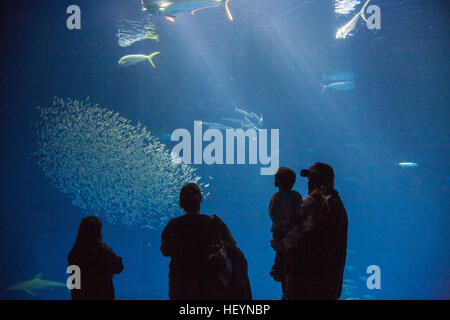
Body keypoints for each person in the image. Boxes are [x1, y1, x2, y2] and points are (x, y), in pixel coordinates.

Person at [161, 183, 251, 300]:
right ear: (200, 200)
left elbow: (165, 251)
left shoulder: (173, 225)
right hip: (210, 284)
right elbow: (232, 245)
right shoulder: (213, 222)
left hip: (181, 285)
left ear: (181, 203)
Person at [272, 162, 348, 300]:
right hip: (313, 286)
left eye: (314, 178)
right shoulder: (326, 203)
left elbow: (314, 244)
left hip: (314, 287)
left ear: (327, 181)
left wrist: (286, 246)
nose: (309, 182)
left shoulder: (327, 206)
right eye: (309, 179)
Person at [68, 216, 124, 300]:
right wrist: (112, 254)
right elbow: (119, 268)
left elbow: (75, 282)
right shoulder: (101, 251)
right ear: (97, 231)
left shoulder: (74, 253)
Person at [268, 167, 303, 293]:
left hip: (277, 231)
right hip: (290, 232)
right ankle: (285, 275)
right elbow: (300, 212)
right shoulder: (295, 195)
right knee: (290, 255)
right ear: (292, 182)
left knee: (280, 253)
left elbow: (271, 213)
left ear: (277, 182)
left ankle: (277, 268)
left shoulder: (274, 197)